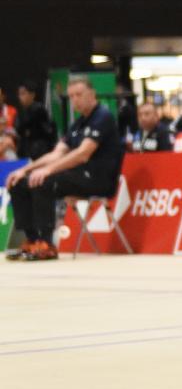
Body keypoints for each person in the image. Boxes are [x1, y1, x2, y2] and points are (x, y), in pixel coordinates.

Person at [5, 77, 123, 262]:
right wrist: (25, 170)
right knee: (18, 183)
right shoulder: (77, 124)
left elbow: (82, 154)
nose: (75, 100)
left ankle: (46, 244)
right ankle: (32, 240)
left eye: (79, 95)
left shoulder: (102, 116)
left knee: (44, 181)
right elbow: (56, 153)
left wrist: (48, 170)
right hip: (78, 176)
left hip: (98, 179)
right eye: (71, 96)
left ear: (91, 94)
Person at [14, 81, 57, 161]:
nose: (20, 97)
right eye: (19, 94)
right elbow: (19, 129)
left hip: (38, 150)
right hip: (25, 149)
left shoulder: (39, 109)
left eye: (23, 93)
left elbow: (47, 131)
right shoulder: (21, 111)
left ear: (32, 95)